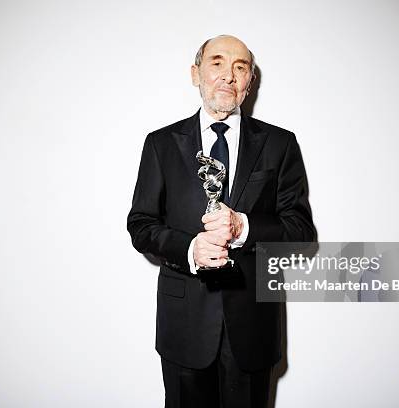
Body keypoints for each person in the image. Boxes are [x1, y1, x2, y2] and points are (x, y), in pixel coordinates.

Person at [127, 34, 316, 408]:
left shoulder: (280, 145)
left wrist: (243, 227)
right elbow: (141, 224)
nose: (228, 75)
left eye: (240, 67)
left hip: (253, 327)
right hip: (183, 327)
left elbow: (301, 232)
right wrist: (190, 248)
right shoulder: (160, 144)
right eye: (216, 63)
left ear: (250, 82)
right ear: (195, 74)